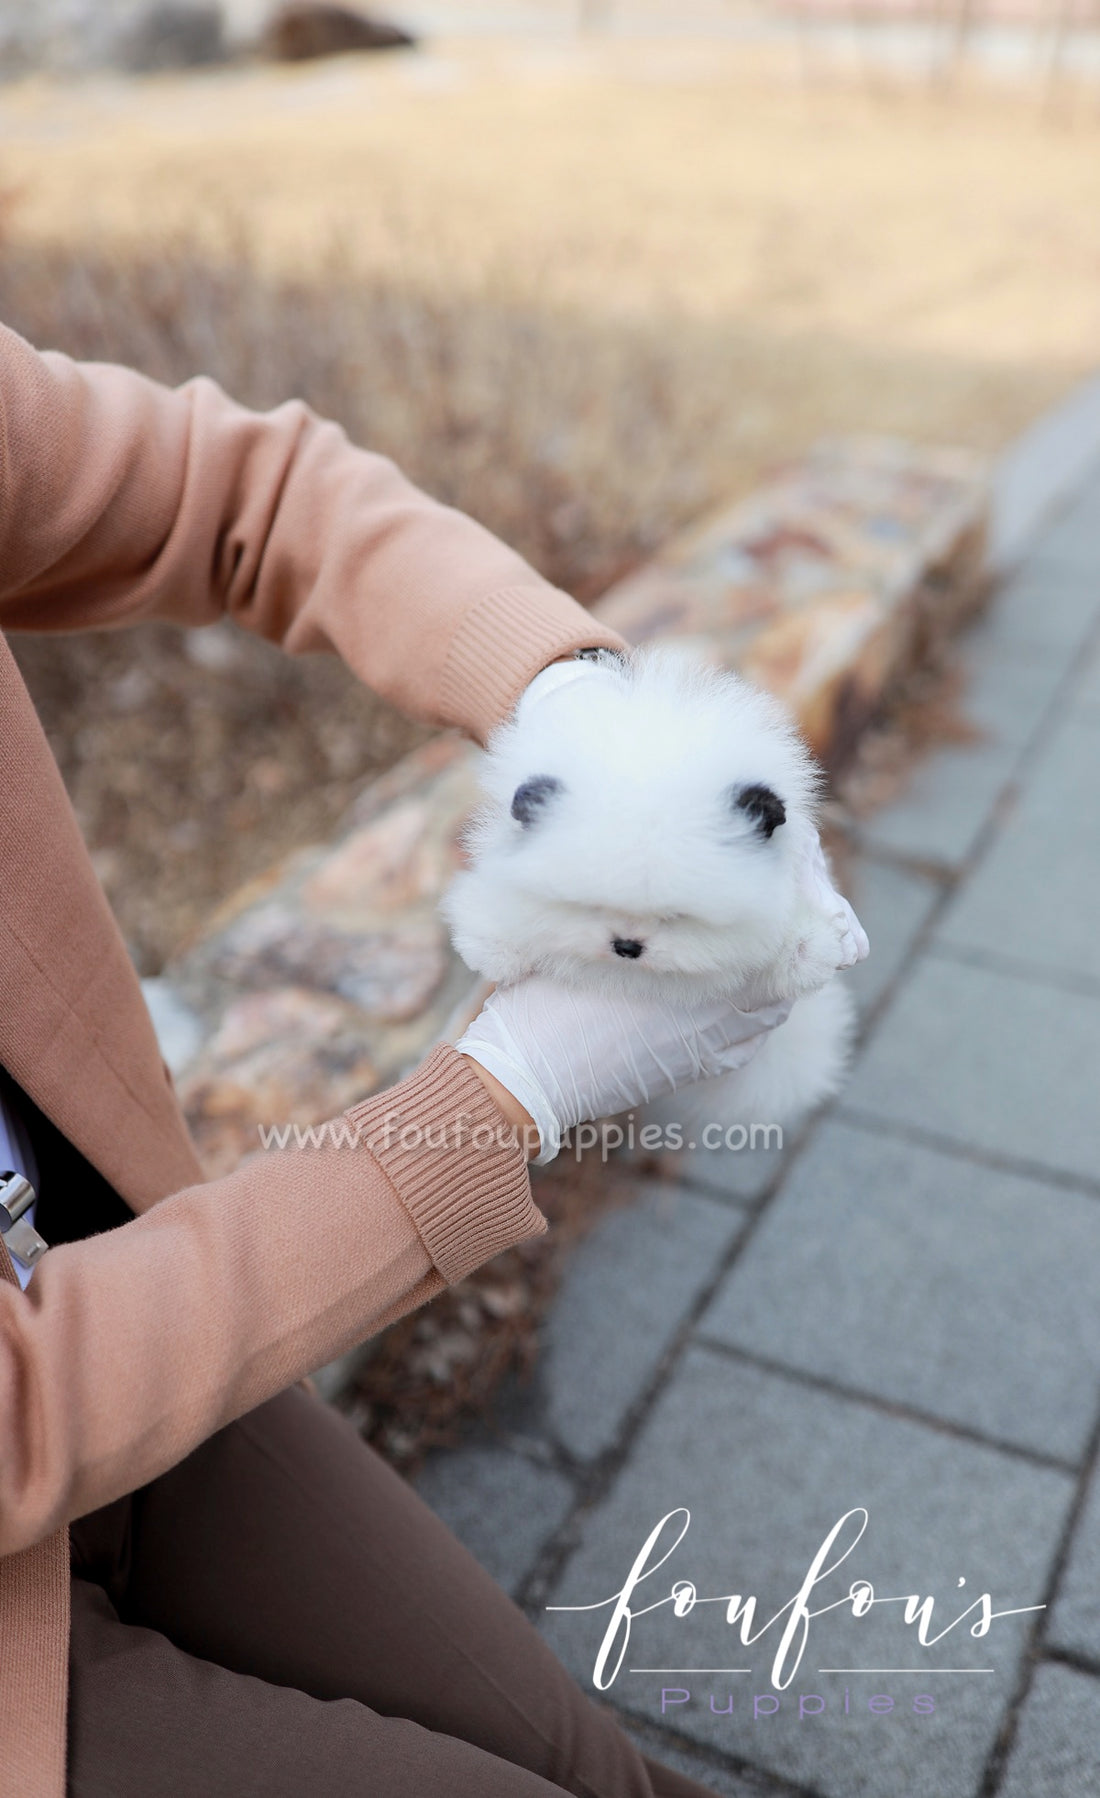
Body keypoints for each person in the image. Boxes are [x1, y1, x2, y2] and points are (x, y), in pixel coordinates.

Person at [0, 321, 854, 1798]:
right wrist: (500, 1096)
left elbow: (238, 485)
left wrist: (566, 694)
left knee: (593, 1763)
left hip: (119, 1316)